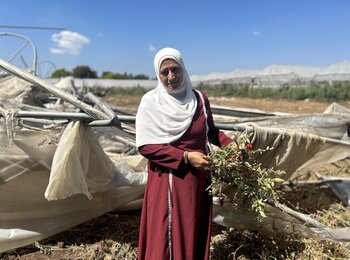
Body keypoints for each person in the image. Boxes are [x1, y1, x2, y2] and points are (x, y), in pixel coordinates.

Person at [135, 47, 233, 260]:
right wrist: (186, 157)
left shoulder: (199, 98)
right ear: (157, 74)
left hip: (198, 181)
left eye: (175, 69)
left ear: (183, 69)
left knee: (192, 229)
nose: (171, 77)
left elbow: (211, 131)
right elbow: (146, 146)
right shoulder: (151, 102)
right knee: (167, 235)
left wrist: (231, 146)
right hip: (169, 180)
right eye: (165, 72)